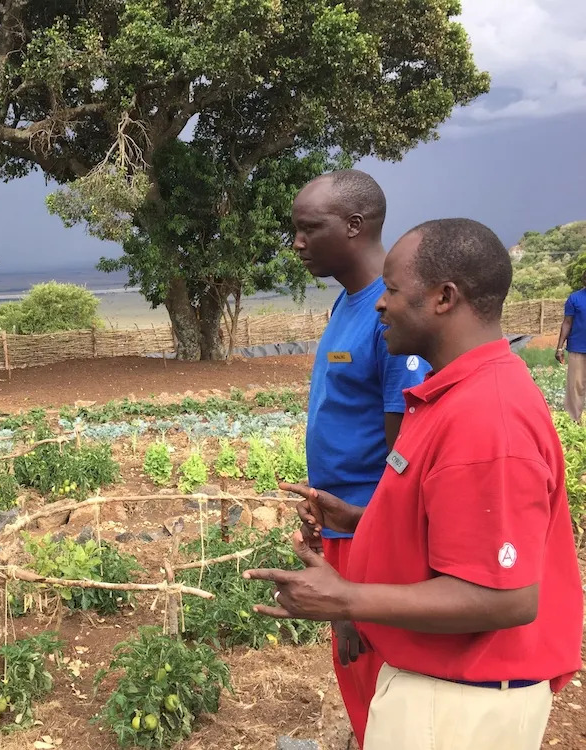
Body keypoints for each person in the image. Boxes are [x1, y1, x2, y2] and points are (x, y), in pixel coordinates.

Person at [245, 218, 584, 750]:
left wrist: (347, 598)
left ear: (444, 298)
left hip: (460, 705)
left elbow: (505, 598)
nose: (380, 304)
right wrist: (361, 520)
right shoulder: (453, 394)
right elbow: (448, 523)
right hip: (445, 688)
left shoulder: (486, 419)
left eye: (394, 291)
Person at [292, 169, 430, 747]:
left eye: (307, 229)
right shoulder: (346, 305)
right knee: (356, 679)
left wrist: (356, 583)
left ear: (353, 226)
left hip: (371, 531)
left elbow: (405, 458)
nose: (296, 243)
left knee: (376, 669)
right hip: (341, 523)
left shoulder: (390, 319)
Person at [556, 269, 586, 421]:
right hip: (578, 349)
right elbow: (567, 323)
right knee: (576, 386)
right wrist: (560, 347)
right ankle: (575, 420)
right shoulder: (574, 299)